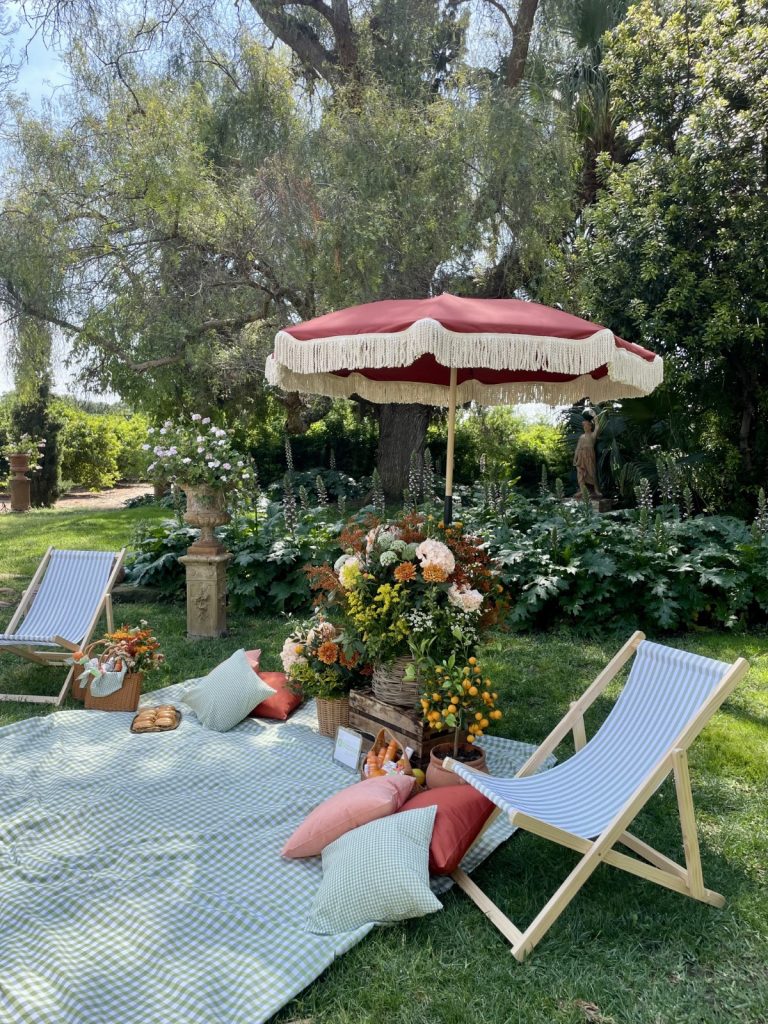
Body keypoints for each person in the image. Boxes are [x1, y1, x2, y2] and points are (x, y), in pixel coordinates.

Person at [573, 408, 602, 497]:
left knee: (592, 473)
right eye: (584, 426)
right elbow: (578, 448)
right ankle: (582, 490)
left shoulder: (593, 435)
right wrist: (575, 458)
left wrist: (594, 416)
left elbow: (597, 427)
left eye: (586, 425)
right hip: (581, 456)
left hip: (589, 456)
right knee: (580, 474)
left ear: (590, 426)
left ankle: (596, 490)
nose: (584, 427)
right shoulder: (581, 437)